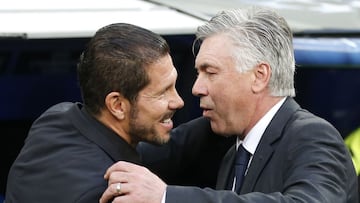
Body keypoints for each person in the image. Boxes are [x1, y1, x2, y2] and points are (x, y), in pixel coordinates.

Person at [99, 6, 359, 203]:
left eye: (210, 72)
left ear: (259, 76)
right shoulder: (232, 148)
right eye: (198, 73)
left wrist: (166, 196)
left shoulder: (312, 136)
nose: (196, 88)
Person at [5, 23, 184, 202]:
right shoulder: (109, 193)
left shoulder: (56, 118)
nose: (178, 101)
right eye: (162, 92)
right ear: (118, 105)